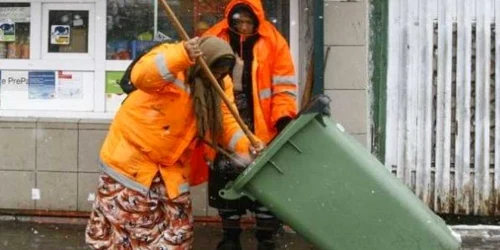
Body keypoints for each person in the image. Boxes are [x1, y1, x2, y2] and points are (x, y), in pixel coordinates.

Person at [85, 35, 263, 250]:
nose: (217, 76)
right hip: (132, 164)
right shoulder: (174, 59)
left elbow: (225, 122)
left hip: (171, 169)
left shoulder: (220, 83)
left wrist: (246, 145)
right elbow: (142, 76)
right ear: (202, 62)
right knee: (135, 234)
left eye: (223, 72)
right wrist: (182, 54)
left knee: (179, 233)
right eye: (214, 70)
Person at [202, 0, 298, 249]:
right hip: (225, 120)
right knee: (227, 177)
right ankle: (230, 236)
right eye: (238, 22)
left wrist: (284, 116)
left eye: (248, 22)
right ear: (230, 20)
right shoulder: (213, 37)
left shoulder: (274, 41)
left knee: (265, 180)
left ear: (257, 20)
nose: (243, 27)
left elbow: (284, 87)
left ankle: (266, 238)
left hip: (263, 123)